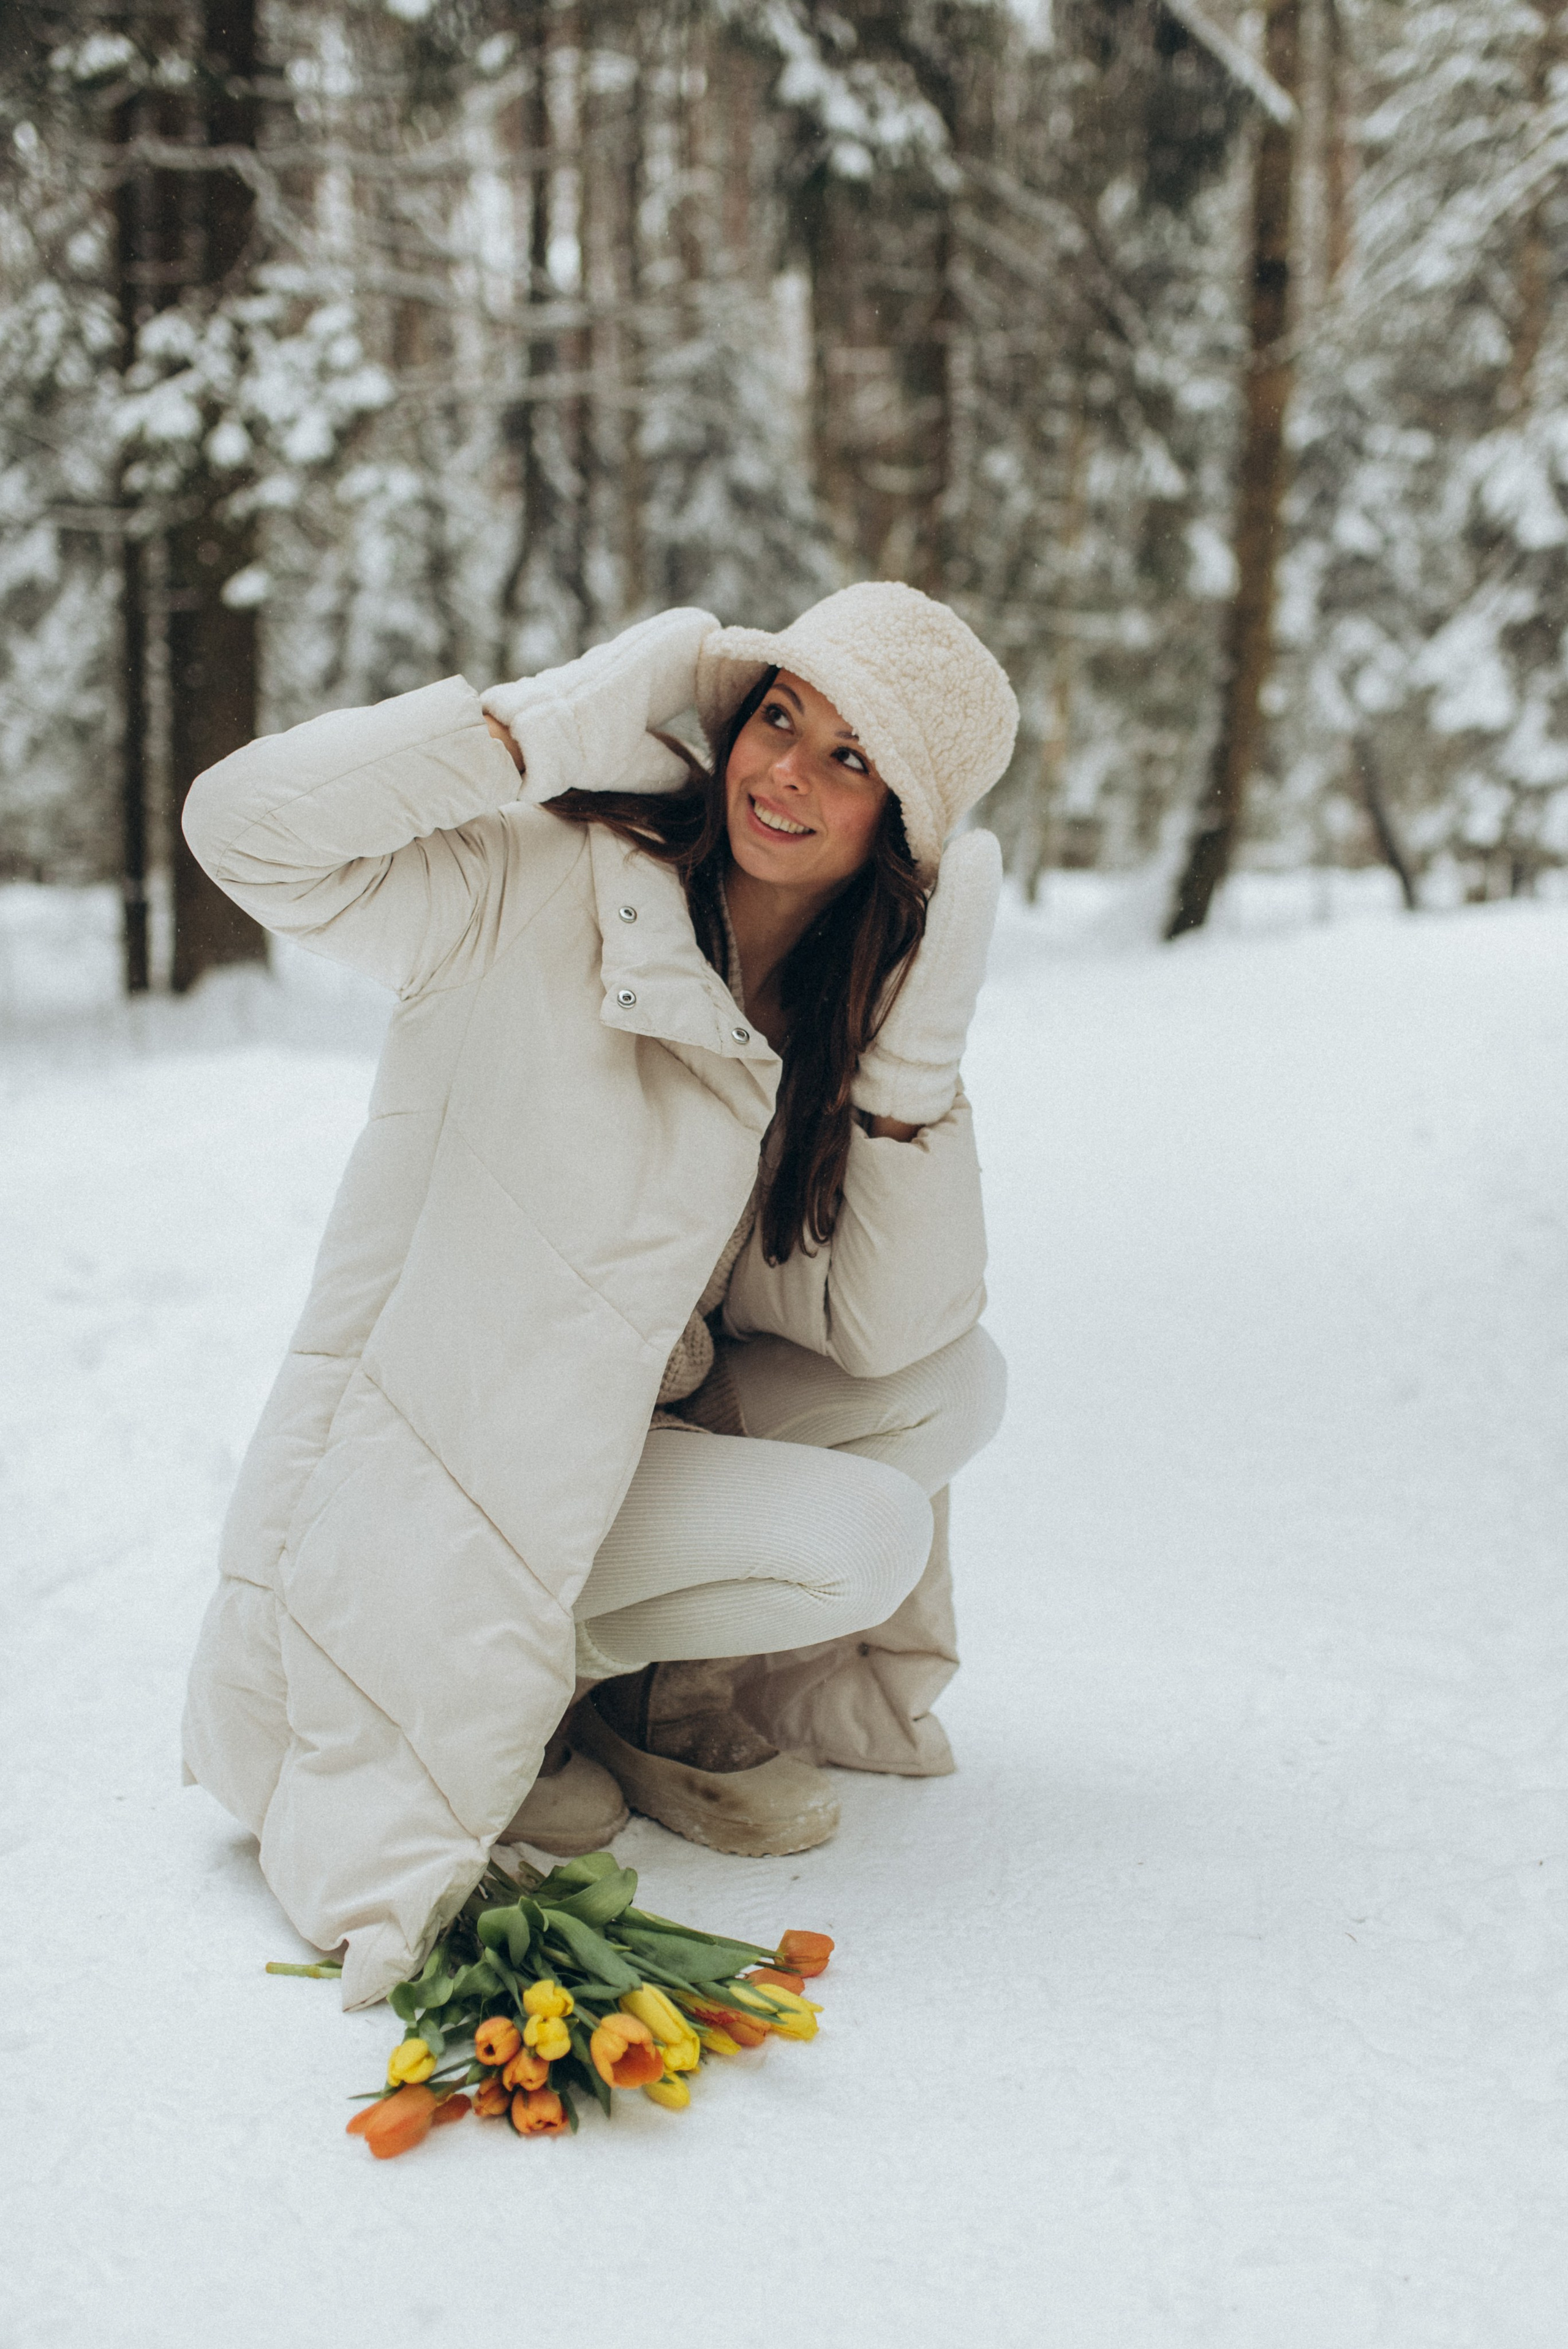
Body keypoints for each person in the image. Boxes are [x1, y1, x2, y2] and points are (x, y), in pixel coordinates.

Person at [180, 582, 1016, 2008]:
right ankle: (525, 1697)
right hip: (452, 1478)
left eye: (850, 759)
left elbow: (888, 1329)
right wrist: (527, 733)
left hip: (623, 1440)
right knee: (862, 1528)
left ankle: (626, 1693)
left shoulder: (828, 1014)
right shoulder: (539, 880)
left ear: (901, 829)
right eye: (778, 717)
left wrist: (905, 1090)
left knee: (960, 1381)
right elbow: (239, 828)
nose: (784, 774)